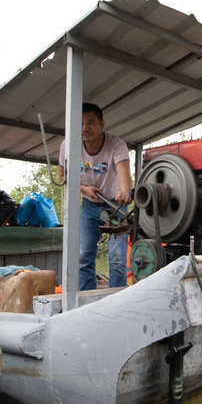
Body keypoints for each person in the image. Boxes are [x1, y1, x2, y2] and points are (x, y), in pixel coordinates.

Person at [59, 102, 132, 290]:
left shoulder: (116, 145)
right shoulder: (67, 145)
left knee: (117, 260)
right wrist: (84, 189)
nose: (85, 128)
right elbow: (62, 176)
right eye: (81, 123)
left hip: (115, 206)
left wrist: (125, 191)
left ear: (101, 124)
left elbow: (125, 174)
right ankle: (87, 302)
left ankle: (116, 303)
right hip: (89, 205)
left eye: (90, 122)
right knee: (84, 255)